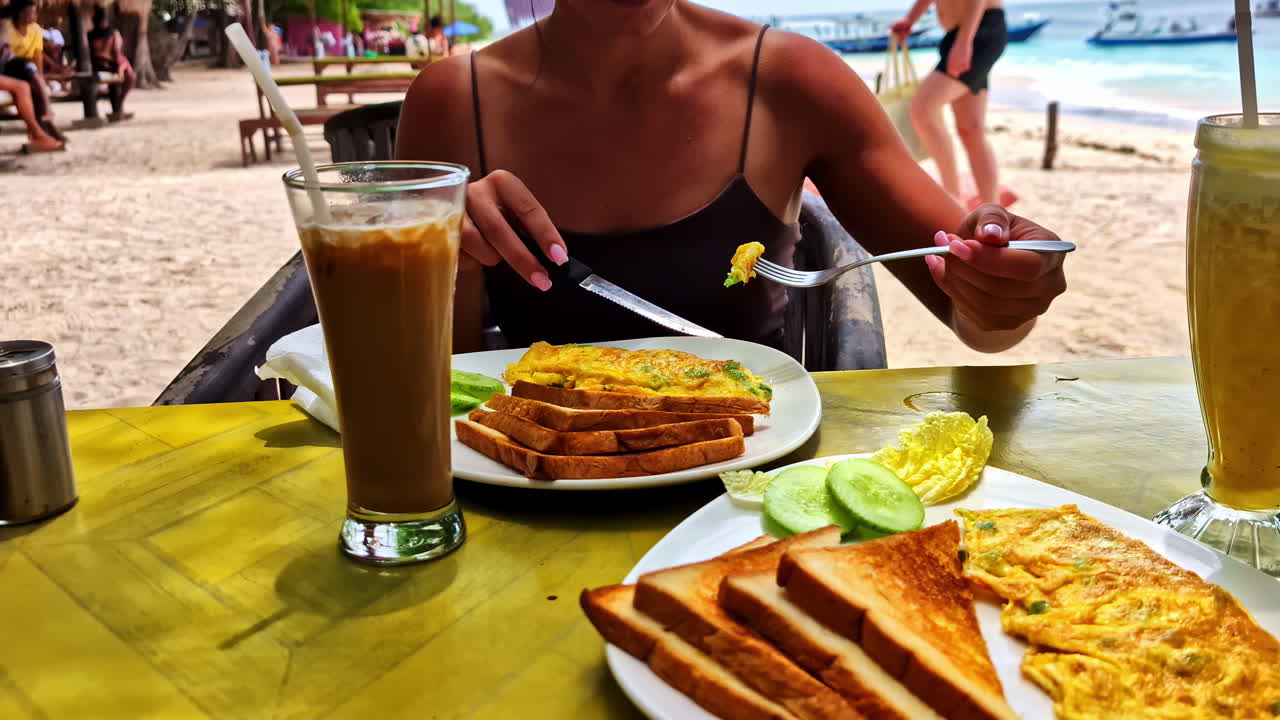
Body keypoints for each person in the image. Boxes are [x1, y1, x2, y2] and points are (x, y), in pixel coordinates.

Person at [395, 2, 1068, 358]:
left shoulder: (794, 83)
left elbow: (977, 321)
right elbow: (421, 383)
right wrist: (446, 256)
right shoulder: (454, 100)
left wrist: (1004, 290)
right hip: (529, 491)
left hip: (743, 500)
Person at [891, 0, 1008, 205]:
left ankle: (953, 201)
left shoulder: (968, 36)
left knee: (922, 110)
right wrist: (910, 20)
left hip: (977, 31)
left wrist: (964, 41)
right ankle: (994, 210)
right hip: (963, 34)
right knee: (970, 130)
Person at [3, 0, 63, 141]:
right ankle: (47, 120)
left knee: (33, 81)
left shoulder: (35, 30)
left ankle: (44, 129)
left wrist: (41, 80)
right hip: (7, 69)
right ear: (20, 13)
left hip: (27, 72)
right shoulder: (6, 27)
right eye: (31, 12)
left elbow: (38, 59)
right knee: (25, 64)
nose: (35, 15)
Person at [88, 5, 134, 122]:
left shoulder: (90, 35)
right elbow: (116, 52)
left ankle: (119, 106)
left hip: (97, 65)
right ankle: (120, 105)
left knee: (125, 69)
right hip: (109, 65)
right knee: (129, 75)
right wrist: (119, 68)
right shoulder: (113, 33)